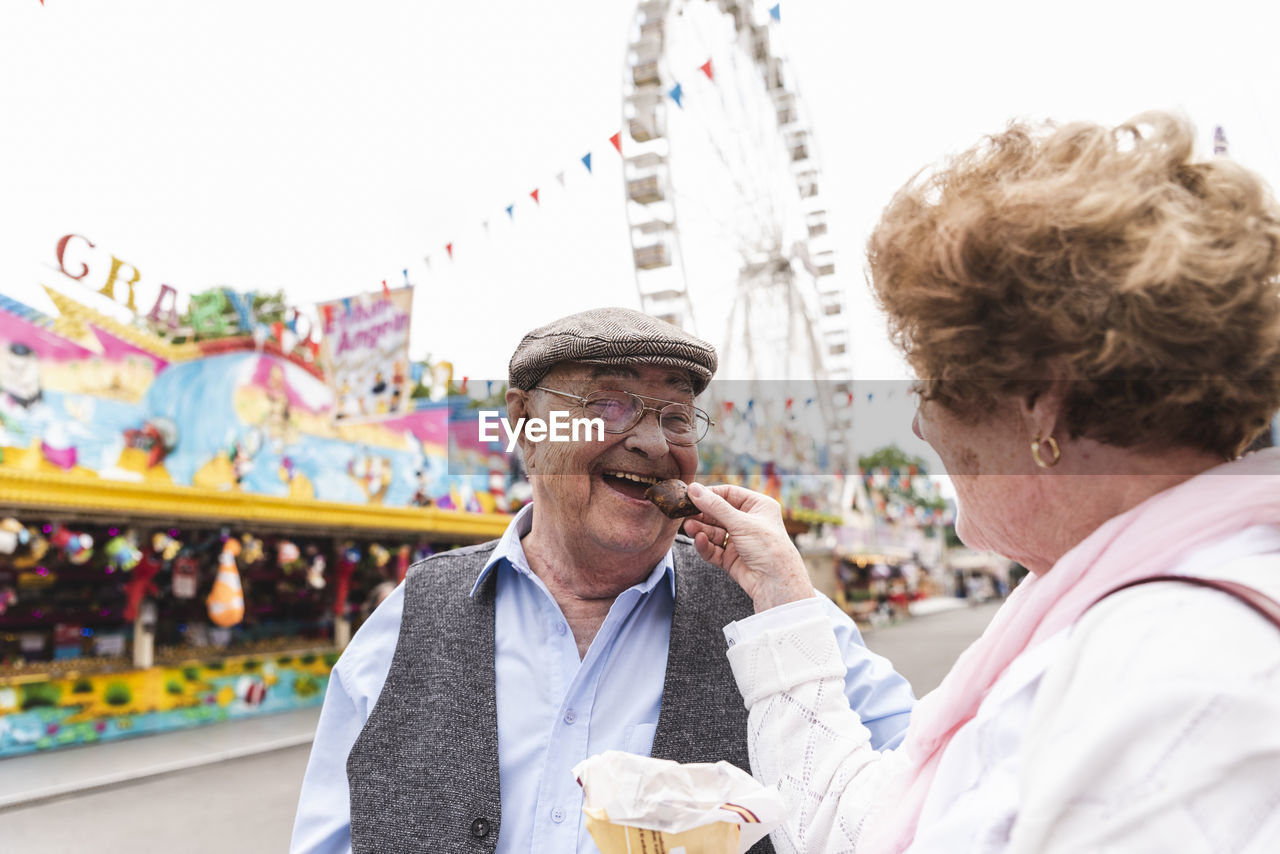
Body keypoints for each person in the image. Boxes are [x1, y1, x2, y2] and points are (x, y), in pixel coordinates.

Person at [683, 113, 1280, 853]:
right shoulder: (1097, 607)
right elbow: (869, 825)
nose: (919, 427)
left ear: (1040, 401)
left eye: (930, 382)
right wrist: (779, 595)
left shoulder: (1173, 677)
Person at [290, 307, 916, 854]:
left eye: (676, 416)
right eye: (609, 405)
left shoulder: (777, 615)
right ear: (525, 427)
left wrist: (783, 596)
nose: (650, 441)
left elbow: (927, 805)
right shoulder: (406, 621)